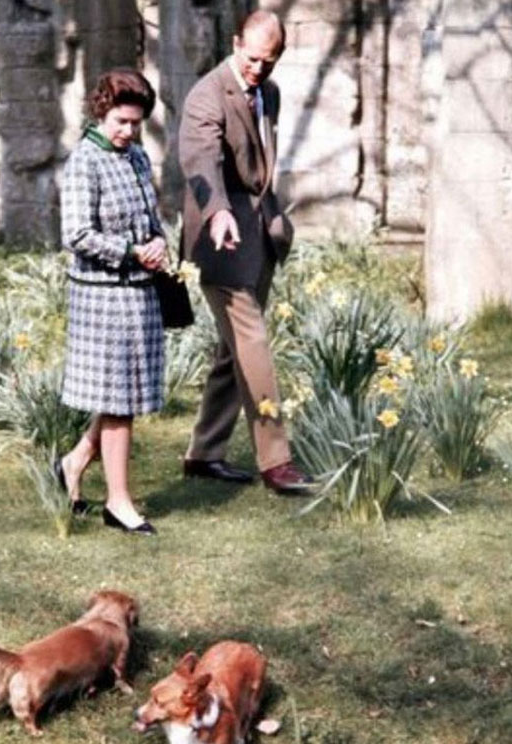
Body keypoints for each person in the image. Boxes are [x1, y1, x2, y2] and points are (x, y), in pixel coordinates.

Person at [178, 10, 313, 495]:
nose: (258, 69)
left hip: (260, 236)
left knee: (231, 349)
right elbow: (200, 160)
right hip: (220, 240)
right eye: (252, 58)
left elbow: (259, 162)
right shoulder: (206, 95)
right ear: (236, 44)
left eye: (268, 61)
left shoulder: (269, 92)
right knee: (253, 344)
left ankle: (204, 452)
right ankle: (277, 462)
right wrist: (217, 211)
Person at [58, 68, 166, 536]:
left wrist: (158, 242)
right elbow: (76, 234)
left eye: (136, 123)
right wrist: (130, 252)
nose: (128, 131)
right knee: (119, 402)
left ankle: (74, 461)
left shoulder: (137, 156)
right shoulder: (84, 161)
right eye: (121, 121)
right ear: (101, 111)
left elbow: (151, 217)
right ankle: (118, 501)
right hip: (102, 297)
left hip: (140, 292)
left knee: (123, 396)